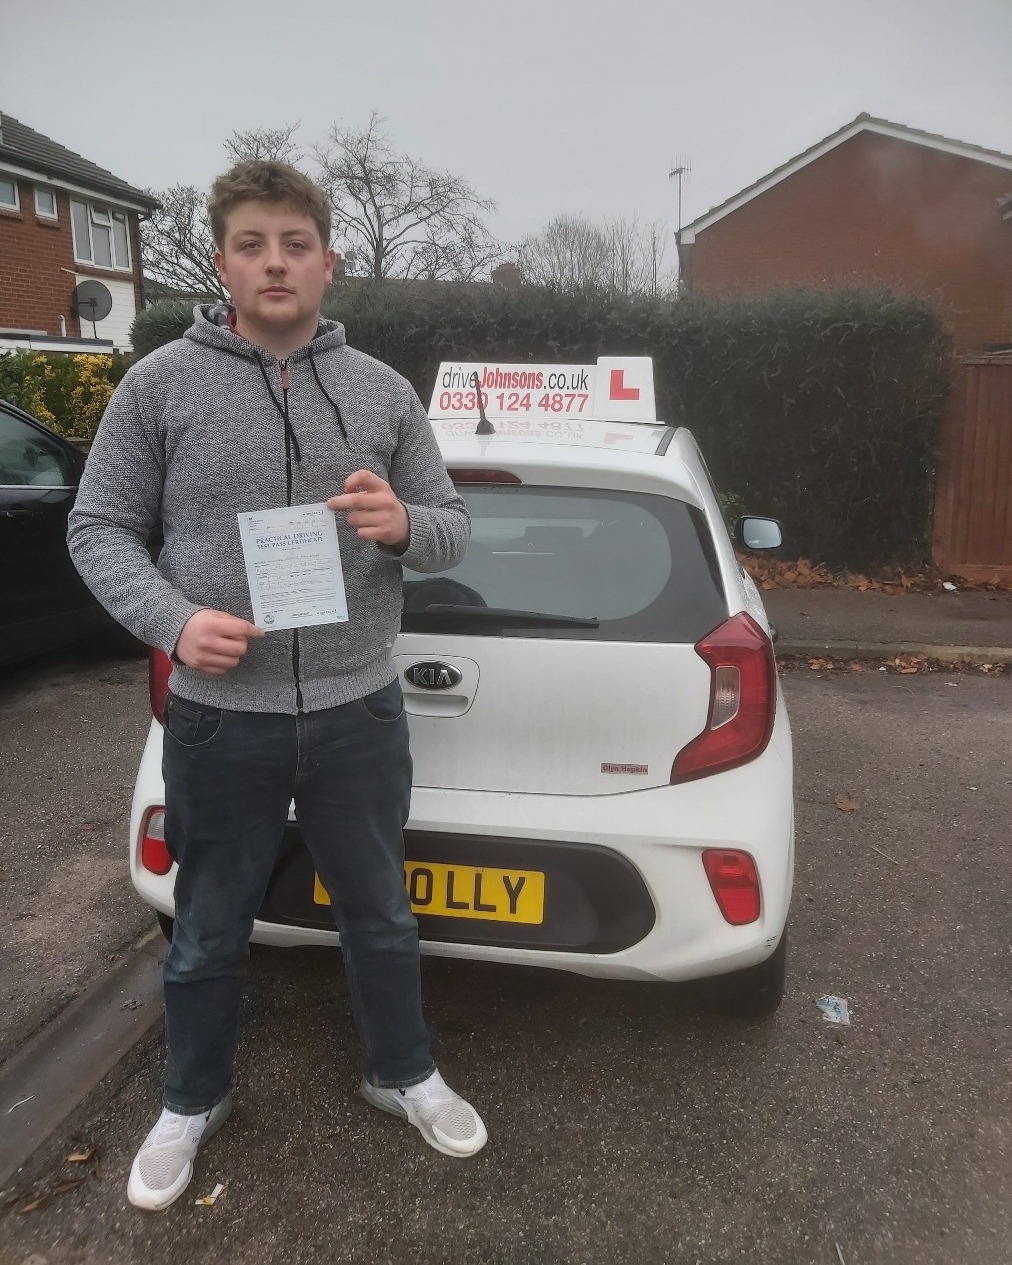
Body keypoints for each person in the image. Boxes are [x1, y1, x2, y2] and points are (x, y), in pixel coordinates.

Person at [67, 160, 484, 1213]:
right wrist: (173, 620)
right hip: (220, 719)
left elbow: (452, 527)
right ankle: (191, 1099)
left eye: (295, 244)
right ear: (223, 263)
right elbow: (98, 527)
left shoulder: (383, 391)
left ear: (328, 261)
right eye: (252, 245)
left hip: (358, 708)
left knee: (380, 912)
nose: (275, 262)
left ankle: (402, 1070)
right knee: (208, 924)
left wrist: (407, 525)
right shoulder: (159, 386)